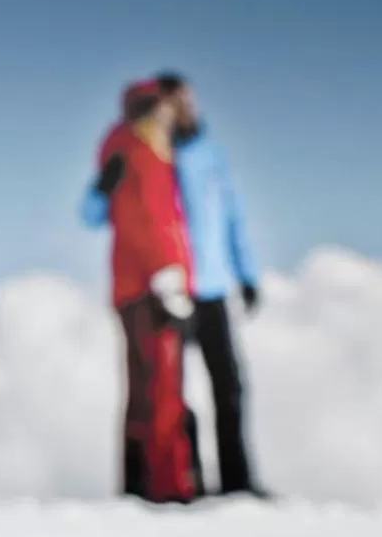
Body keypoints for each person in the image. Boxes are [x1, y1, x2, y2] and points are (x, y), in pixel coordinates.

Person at [155, 72, 264, 496]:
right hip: (173, 291)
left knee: (230, 386)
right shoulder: (156, 156)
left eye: (185, 101)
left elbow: (233, 219)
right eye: (172, 102)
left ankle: (238, 482)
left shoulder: (212, 156)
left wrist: (247, 275)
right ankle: (188, 480)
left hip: (214, 287)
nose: (182, 109)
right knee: (175, 392)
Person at [90, 80, 198, 504]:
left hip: (130, 286)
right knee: (164, 389)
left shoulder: (118, 147)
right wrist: (171, 281)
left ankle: (137, 484)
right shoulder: (144, 154)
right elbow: (155, 224)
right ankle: (168, 485)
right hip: (154, 287)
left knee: (140, 389)